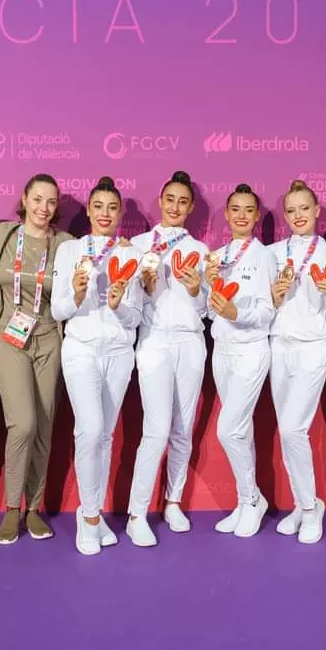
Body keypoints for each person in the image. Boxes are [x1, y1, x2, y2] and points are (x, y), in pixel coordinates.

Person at [51, 176, 145, 555]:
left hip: (119, 352)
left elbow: (135, 317)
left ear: (119, 212)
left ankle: (95, 512)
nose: (105, 213)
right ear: (88, 210)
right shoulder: (70, 251)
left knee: (105, 436)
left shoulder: (130, 253)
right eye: (98, 206)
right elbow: (59, 309)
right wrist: (76, 292)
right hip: (81, 350)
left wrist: (119, 302)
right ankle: (88, 517)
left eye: (112, 207)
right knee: (88, 431)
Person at [0, 174, 74, 545]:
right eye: (37, 199)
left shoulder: (67, 244)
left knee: (44, 423)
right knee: (22, 423)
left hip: (49, 337)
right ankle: (11, 508)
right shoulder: (2, 235)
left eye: (51, 202)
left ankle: (34, 507)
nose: (43, 208)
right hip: (8, 338)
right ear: (24, 199)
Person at [126, 171, 209, 547]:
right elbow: (126, 302)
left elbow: (209, 307)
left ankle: (173, 501)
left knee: (182, 428)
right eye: (170, 199)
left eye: (183, 202)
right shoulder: (137, 245)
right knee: (155, 429)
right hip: (154, 343)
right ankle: (137, 513)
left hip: (191, 343)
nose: (175, 207)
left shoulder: (203, 251)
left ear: (190, 208)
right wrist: (144, 286)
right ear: (160, 201)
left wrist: (195, 289)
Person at [266, 179, 326, 544]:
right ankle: (301, 503)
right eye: (291, 210)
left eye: (305, 208)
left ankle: (312, 508)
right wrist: (275, 296)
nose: (298, 215)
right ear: (285, 215)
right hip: (280, 346)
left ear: (317, 212)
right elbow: (266, 311)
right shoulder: (272, 254)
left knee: (294, 429)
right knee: (286, 430)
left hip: (315, 347)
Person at [204, 184, 276, 539]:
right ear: (227, 214)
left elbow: (266, 311)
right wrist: (206, 285)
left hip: (251, 350)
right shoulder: (217, 256)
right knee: (241, 430)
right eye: (235, 209)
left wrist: (236, 311)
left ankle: (252, 500)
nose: (242, 216)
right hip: (223, 350)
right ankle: (243, 500)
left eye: (249, 210)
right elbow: (208, 308)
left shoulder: (264, 257)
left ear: (257, 217)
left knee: (227, 428)